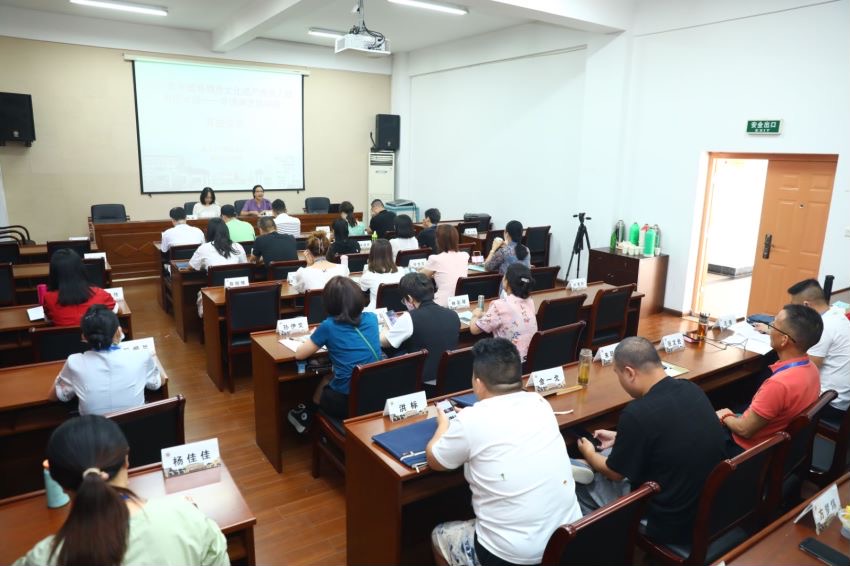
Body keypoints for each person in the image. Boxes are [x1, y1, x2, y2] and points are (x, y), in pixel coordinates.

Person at [427, 338, 582, 566]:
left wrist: (444, 425)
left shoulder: (472, 420)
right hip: (567, 539)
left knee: (439, 535)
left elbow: (435, 460)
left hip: (511, 555)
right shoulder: (539, 402)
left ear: (478, 383)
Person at [13, 415, 228, 566]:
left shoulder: (43, 558)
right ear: (126, 459)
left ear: (57, 480)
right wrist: (185, 513)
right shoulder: (186, 519)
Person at [573, 337, 727, 545]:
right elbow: (671, 431)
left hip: (665, 520)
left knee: (577, 482)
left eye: (618, 374)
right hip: (707, 509)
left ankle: (604, 545)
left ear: (629, 373)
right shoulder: (691, 389)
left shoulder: (637, 413)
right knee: (600, 461)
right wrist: (621, 436)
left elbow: (614, 473)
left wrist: (589, 453)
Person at [717, 303, 824, 454]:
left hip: (745, 452)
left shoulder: (779, 384)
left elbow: (744, 430)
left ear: (784, 340)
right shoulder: (812, 368)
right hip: (777, 445)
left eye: (774, 325)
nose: (770, 328)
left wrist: (725, 415)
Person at [287, 276, 381, 433]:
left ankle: (307, 415)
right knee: (329, 377)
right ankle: (307, 414)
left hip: (346, 402)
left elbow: (299, 355)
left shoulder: (329, 326)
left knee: (328, 380)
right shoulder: (372, 318)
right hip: (375, 394)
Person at [48, 304, 164, 416]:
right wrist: (153, 358)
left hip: (95, 429)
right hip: (135, 426)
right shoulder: (141, 356)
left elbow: (53, 396)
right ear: (119, 331)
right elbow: (158, 382)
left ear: (84, 337)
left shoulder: (74, 362)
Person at [787, 278, 850, 422]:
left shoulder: (823, 327)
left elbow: (806, 370)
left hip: (829, 404)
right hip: (843, 398)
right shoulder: (836, 315)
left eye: (795, 308)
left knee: (772, 377)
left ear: (806, 305)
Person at [381, 272, 460, 385]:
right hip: (449, 377)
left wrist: (385, 326)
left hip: (422, 381)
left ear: (409, 298)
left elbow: (385, 342)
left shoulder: (409, 317)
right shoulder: (453, 314)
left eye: (404, 300)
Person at [468, 263, 538, 361]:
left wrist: (475, 315)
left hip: (507, 363)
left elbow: (474, 330)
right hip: (529, 360)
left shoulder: (499, 305)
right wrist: (485, 315)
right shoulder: (530, 301)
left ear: (506, 282)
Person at [43, 249, 116, 326]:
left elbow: (48, 319)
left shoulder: (48, 298)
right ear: (81, 269)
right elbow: (118, 311)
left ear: (53, 274)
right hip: (94, 334)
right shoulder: (100, 294)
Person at [421, 225, 470, 307]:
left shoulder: (435, 259)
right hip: (462, 302)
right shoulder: (465, 255)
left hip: (441, 304)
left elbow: (420, 278)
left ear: (438, 240)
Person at [358, 239, 405, 310]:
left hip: (377, 313)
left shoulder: (368, 276)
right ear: (390, 253)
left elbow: (361, 291)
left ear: (372, 254)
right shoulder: (401, 271)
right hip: (399, 311)